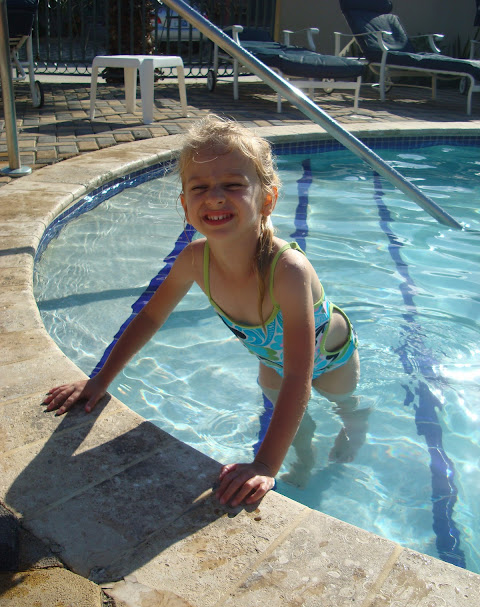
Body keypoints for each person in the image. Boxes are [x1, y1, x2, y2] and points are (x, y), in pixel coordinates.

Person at [44, 115, 367, 507]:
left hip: (330, 356)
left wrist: (264, 463)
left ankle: (356, 422)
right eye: (199, 187)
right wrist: (99, 381)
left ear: (267, 199)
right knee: (292, 418)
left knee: (342, 402)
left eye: (232, 185)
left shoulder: (287, 269)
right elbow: (149, 318)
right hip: (271, 356)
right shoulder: (194, 260)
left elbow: (301, 372)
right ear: (185, 204)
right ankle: (304, 454)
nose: (214, 197)